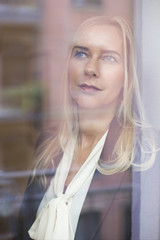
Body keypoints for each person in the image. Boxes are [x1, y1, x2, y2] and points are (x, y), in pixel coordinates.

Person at [13, 16, 157, 240]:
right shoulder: (48, 142)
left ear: (127, 77)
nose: (90, 68)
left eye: (109, 58)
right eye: (81, 53)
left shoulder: (146, 155)